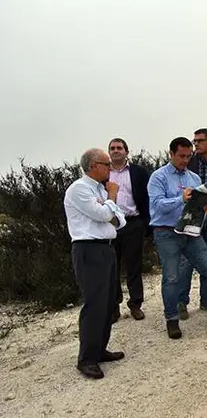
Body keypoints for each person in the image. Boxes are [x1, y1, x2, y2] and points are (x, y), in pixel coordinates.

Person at [148, 137, 207, 339]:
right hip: (167, 232)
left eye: (189, 156)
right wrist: (180, 199)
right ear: (171, 154)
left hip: (191, 230)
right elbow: (156, 206)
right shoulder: (158, 177)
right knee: (171, 277)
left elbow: (199, 205)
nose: (185, 160)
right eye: (181, 156)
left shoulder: (194, 178)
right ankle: (172, 319)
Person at [64, 148, 126, 379]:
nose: (110, 168)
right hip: (88, 248)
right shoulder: (79, 188)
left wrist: (108, 206)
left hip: (107, 248)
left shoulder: (100, 189)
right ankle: (87, 359)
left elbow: (120, 220)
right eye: (106, 164)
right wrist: (111, 199)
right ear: (93, 166)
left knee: (109, 301)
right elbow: (103, 215)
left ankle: (100, 349)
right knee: (94, 303)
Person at [176, 128, 207, 319]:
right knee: (186, 261)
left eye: (200, 140)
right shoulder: (188, 163)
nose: (196, 144)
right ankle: (181, 302)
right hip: (193, 216)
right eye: (194, 141)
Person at [108, 137, 150, 322]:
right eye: (112, 148)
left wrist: (145, 222)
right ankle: (113, 307)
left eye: (119, 148)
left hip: (133, 223)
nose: (116, 150)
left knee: (134, 266)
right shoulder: (103, 173)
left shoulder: (138, 172)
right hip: (110, 224)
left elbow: (147, 197)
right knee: (111, 266)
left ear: (126, 151)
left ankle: (135, 304)